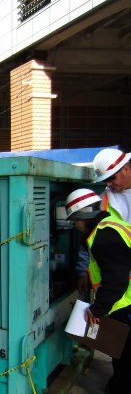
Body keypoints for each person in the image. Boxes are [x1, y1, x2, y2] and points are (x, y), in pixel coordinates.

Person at [65, 188, 131, 393]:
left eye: (74, 220)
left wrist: (98, 308)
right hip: (124, 299)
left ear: (84, 215)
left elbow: (116, 280)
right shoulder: (109, 225)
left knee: (125, 354)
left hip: (126, 301)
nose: (74, 225)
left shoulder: (104, 237)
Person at [76, 148, 131, 295]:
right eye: (105, 180)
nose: (108, 184)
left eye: (111, 178)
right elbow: (89, 238)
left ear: (126, 169)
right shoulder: (101, 201)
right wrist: (83, 271)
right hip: (114, 288)